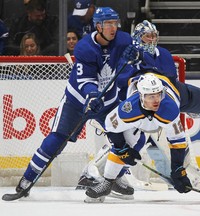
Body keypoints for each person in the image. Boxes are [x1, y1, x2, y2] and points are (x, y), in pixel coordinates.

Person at [84, 38, 200, 201]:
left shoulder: (169, 108)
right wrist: (121, 148)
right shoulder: (128, 109)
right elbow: (111, 127)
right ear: (141, 97)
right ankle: (107, 182)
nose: (156, 100)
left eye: (158, 95)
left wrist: (178, 170)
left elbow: (177, 141)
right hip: (141, 98)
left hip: (173, 89)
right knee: (129, 141)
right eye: (151, 97)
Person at [8, 7, 134, 200]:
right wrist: (92, 96)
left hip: (108, 101)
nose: (113, 27)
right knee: (57, 140)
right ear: (98, 26)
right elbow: (85, 82)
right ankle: (27, 180)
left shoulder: (124, 40)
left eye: (114, 23)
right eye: (108, 24)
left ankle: (115, 177)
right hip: (77, 101)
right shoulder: (85, 47)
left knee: (122, 140)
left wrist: (138, 55)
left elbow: (137, 57)